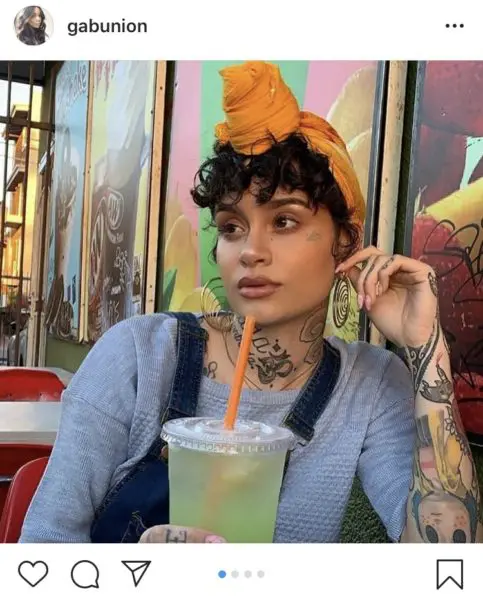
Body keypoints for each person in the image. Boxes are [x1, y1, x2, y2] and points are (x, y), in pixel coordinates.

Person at [19, 61, 482, 544]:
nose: (250, 251)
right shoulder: (139, 356)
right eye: (231, 227)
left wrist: (427, 350)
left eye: (284, 221)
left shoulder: (371, 385)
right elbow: (44, 546)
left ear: (345, 242)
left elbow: (445, 561)